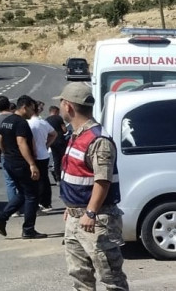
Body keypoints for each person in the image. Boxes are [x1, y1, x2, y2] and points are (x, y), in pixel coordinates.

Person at [55, 83, 129, 290]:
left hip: (96, 220)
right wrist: (72, 207)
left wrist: (90, 211)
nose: (60, 108)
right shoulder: (76, 134)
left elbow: (102, 180)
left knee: (111, 278)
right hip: (76, 216)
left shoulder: (98, 140)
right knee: (79, 275)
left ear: (68, 106)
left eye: (61, 103)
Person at [0, 95, 47, 239]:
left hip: (10, 162)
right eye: (32, 109)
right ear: (25, 107)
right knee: (32, 196)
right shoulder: (21, 123)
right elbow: (21, 143)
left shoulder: (7, 121)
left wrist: (6, 154)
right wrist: (32, 164)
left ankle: (1, 218)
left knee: (22, 193)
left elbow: (0, 139)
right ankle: (28, 229)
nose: (33, 112)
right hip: (21, 163)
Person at [28, 101, 57, 212]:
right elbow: (54, 134)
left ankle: (37, 203)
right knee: (44, 179)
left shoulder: (28, 123)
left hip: (32, 155)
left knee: (34, 180)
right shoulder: (43, 122)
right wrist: (47, 144)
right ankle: (46, 203)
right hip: (44, 154)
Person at [45, 105, 68, 183]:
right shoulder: (58, 118)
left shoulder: (46, 120)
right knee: (64, 158)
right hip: (60, 140)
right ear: (55, 111)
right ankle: (65, 175)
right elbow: (64, 130)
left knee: (56, 159)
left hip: (52, 142)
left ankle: (57, 178)